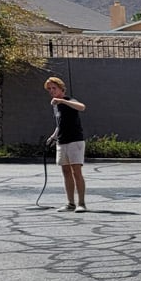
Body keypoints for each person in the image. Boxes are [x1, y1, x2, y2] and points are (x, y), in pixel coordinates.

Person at [44, 76, 88, 211]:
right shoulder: (56, 106)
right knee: (65, 171)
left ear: (61, 89)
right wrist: (53, 137)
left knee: (76, 171)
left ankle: (81, 203)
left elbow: (82, 107)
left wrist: (62, 100)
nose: (52, 91)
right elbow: (60, 124)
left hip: (75, 140)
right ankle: (70, 203)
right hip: (62, 141)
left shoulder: (68, 100)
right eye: (50, 89)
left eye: (54, 88)